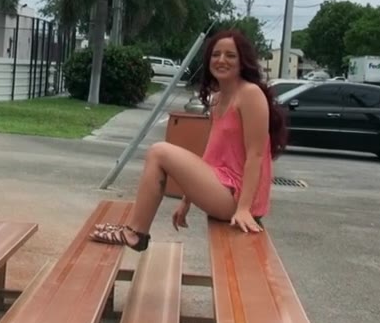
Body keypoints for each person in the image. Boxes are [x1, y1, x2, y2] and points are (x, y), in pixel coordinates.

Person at [88, 29, 288, 250]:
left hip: (238, 198)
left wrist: (243, 209)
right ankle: (135, 230)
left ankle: (135, 233)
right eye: (216, 54)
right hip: (222, 188)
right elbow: (212, 154)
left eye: (231, 55)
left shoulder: (250, 94)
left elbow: (256, 155)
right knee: (158, 154)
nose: (221, 60)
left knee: (158, 152)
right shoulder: (218, 98)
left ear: (243, 62)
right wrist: (187, 199)